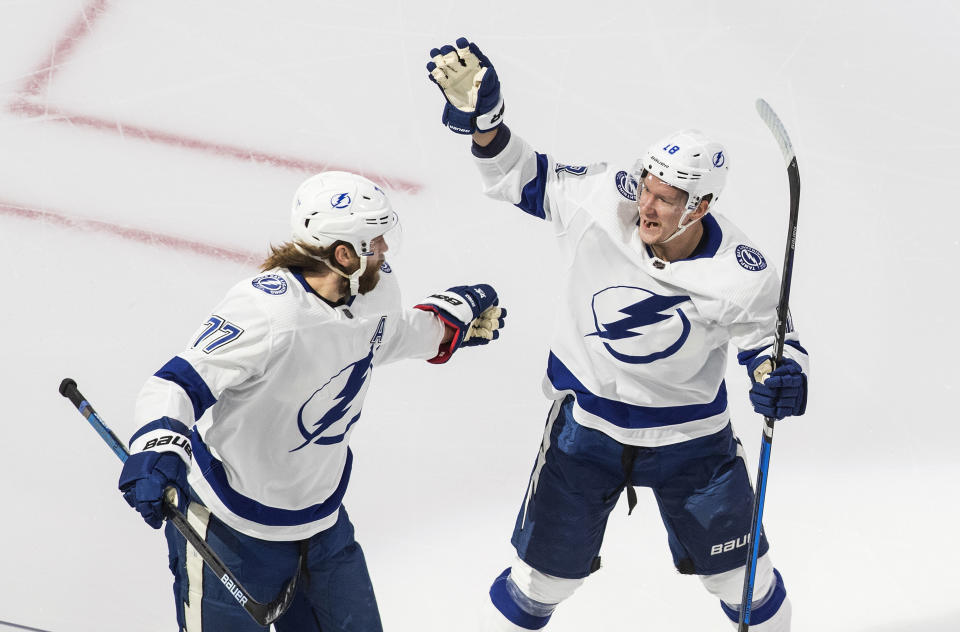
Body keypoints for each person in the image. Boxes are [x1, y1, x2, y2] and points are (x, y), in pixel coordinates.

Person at [425, 39, 809, 631]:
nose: (647, 205)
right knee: (538, 584)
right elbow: (516, 175)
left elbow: (771, 343)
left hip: (691, 443)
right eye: (648, 186)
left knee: (744, 581)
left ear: (701, 205)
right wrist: (486, 124)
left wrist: (781, 376)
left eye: (667, 198)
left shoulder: (740, 272)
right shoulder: (605, 201)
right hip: (588, 435)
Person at [117, 170, 507, 631]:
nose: (384, 248)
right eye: (374, 240)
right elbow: (177, 384)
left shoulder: (374, 291)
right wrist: (156, 448)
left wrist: (445, 327)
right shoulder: (268, 310)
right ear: (344, 254)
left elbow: (380, 335)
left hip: (321, 526)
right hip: (229, 531)